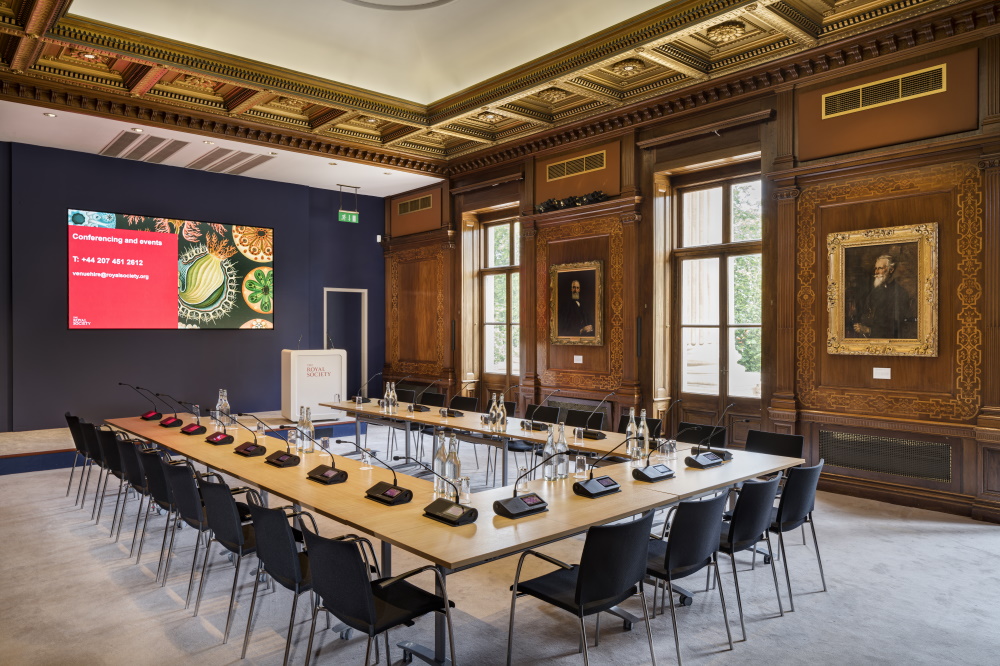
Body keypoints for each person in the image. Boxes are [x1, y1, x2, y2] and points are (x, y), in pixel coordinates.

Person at [849, 254, 916, 339]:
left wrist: (868, 330)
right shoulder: (875, 291)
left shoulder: (900, 293)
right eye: (875, 269)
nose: (876, 272)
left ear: (891, 270)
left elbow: (896, 326)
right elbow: (866, 313)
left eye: (880, 268)